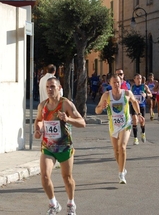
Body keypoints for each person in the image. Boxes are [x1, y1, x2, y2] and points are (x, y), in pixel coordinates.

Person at [34, 77, 85, 215]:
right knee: (44, 176)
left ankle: (71, 203)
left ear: (59, 88)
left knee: (67, 177)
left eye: (52, 87)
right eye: (47, 87)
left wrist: (67, 119)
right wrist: (38, 130)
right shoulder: (42, 106)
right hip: (48, 147)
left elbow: (82, 122)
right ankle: (53, 204)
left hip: (64, 147)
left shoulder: (65, 104)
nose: (50, 90)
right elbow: (39, 120)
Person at [95, 74, 144, 184]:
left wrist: (139, 114)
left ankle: (121, 173)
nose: (116, 84)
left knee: (122, 147)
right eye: (114, 82)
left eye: (118, 82)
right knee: (116, 150)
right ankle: (122, 168)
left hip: (125, 124)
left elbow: (134, 102)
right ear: (110, 83)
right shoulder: (106, 95)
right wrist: (101, 107)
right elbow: (97, 110)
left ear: (121, 82)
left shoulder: (126, 93)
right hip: (113, 126)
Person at [130, 73, 152, 145]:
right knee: (135, 120)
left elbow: (151, 94)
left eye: (140, 78)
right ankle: (135, 138)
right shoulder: (132, 87)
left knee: (142, 121)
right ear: (134, 80)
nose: (139, 80)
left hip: (142, 106)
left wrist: (147, 95)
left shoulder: (144, 87)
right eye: (137, 78)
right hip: (134, 106)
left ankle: (143, 132)